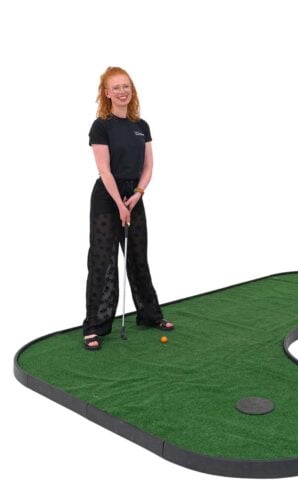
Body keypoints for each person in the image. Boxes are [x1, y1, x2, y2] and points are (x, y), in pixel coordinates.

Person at [83, 66, 174, 350]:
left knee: (138, 257)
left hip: (134, 196)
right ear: (107, 93)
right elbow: (104, 170)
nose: (123, 91)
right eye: (117, 87)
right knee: (103, 261)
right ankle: (94, 327)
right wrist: (119, 205)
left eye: (126, 86)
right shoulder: (101, 126)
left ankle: (150, 315)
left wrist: (137, 194)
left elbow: (148, 166)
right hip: (107, 198)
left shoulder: (141, 126)